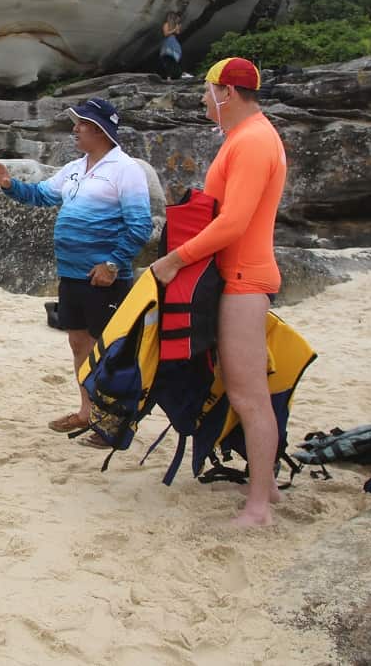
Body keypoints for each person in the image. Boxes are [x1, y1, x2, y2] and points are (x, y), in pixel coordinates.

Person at [150, 58, 288, 528]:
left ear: (226, 93)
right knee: (244, 389)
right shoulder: (245, 137)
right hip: (235, 279)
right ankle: (264, 486)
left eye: (207, 90)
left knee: (249, 395)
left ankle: (258, 508)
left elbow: (233, 222)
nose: (204, 99)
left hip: (245, 279)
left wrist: (175, 260)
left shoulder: (252, 140)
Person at [0, 97, 152, 433]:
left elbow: (140, 226)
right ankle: (87, 411)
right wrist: (8, 184)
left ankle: (115, 420)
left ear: (101, 130)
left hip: (105, 279)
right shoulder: (76, 167)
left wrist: (112, 264)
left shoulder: (126, 169)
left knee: (112, 350)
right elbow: (43, 195)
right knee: (79, 344)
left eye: (83, 124)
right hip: (72, 276)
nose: (75, 129)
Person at [160, 11, 183, 79]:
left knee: (175, 59)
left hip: (174, 42)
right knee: (168, 59)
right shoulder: (166, 24)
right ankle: (168, 76)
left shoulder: (174, 25)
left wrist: (178, 28)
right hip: (168, 43)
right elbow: (166, 34)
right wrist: (174, 30)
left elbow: (178, 33)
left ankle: (175, 75)